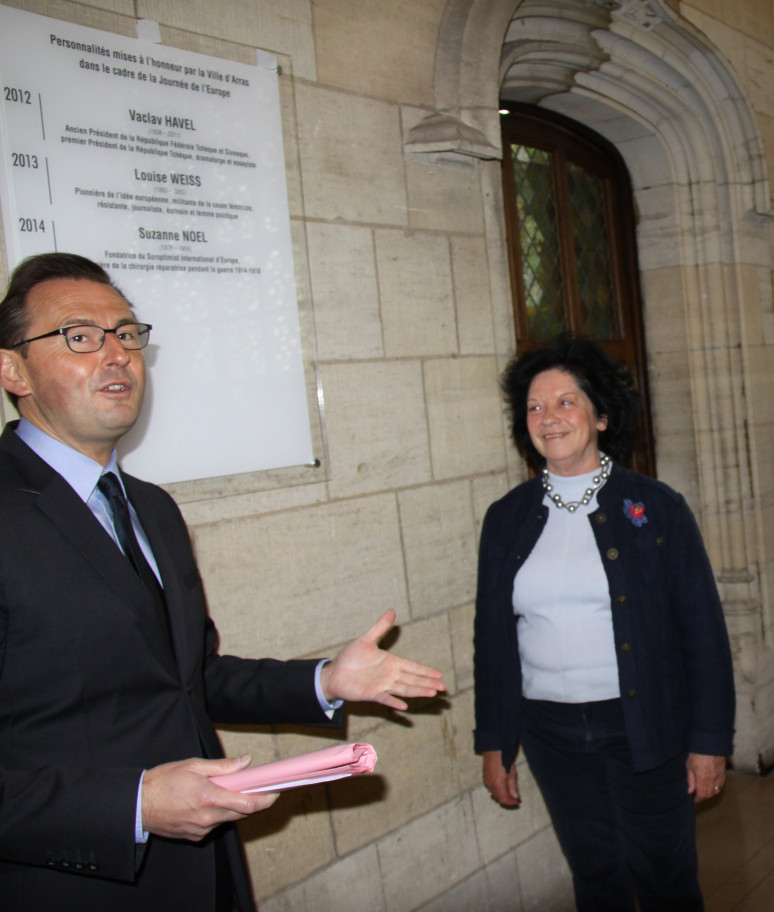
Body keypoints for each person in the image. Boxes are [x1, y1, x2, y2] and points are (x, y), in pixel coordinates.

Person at [0, 252, 446, 911]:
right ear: (12, 368)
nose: (116, 354)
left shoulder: (151, 507)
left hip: (207, 872)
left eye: (126, 333)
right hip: (76, 885)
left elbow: (188, 678)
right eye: (80, 336)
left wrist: (324, 681)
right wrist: (133, 805)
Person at [473, 336, 734, 912]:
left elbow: (703, 632)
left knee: (664, 877)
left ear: (601, 414)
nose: (549, 417)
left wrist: (710, 742)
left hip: (642, 724)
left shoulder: (656, 507)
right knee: (595, 876)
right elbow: (492, 641)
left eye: (566, 401)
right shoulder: (506, 518)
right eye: (536, 407)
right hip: (550, 732)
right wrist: (495, 741)